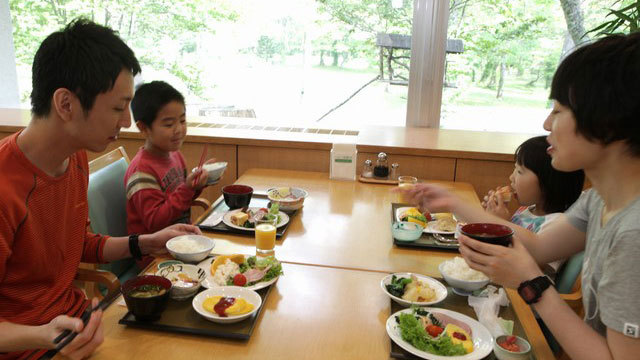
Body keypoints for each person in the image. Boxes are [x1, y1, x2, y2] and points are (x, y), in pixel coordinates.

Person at [400, 32, 640, 359]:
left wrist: (532, 283)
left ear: (607, 122)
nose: (546, 123)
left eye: (558, 110)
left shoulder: (634, 233)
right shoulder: (599, 198)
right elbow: (539, 245)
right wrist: (456, 204)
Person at [0, 19, 202, 360]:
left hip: (83, 329)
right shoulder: (6, 187)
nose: (126, 121)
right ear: (66, 104)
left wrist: (146, 242)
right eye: (117, 108)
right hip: (40, 348)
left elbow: (79, 245)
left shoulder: (75, 157)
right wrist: (45, 336)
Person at [125, 80, 214, 267]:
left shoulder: (175, 155)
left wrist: (196, 186)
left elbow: (180, 202)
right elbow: (155, 222)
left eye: (182, 120)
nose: (179, 129)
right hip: (156, 258)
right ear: (143, 128)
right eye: (168, 124)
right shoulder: (141, 172)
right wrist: (187, 189)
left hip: (183, 245)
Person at [482, 136, 585, 275]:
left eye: (519, 171)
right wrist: (491, 219)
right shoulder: (527, 209)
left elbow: (537, 271)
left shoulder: (558, 224)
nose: (511, 177)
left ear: (548, 183)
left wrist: (500, 225)